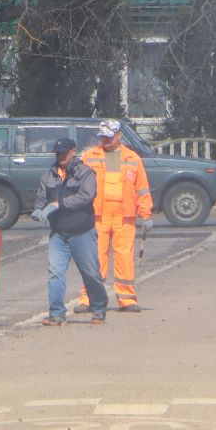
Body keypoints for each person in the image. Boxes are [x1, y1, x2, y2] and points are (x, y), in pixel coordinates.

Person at [75, 119, 154, 313]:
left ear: (119, 135)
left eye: (110, 137)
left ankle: (127, 300)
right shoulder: (89, 157)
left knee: (124, 258)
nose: (106, 140)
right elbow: (76, 185)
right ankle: (89, 299)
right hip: (97, 216)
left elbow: (142, 189)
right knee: (94, 258)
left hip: (124, 216)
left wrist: (146, 214)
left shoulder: (133, 159)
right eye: (103, 137)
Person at [35, 137, 109, 325]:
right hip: (59, 234)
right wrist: (38, 210)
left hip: (82, 231)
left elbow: (87, 196)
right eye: (58, 153)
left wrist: (59, 204)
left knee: (90, 272)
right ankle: (56, 313)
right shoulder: (48, 176)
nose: (61, 156)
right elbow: (41, 199)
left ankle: (99, 308)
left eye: (64, 153)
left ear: (73, 152)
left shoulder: (85, 173)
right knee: (55, 272)